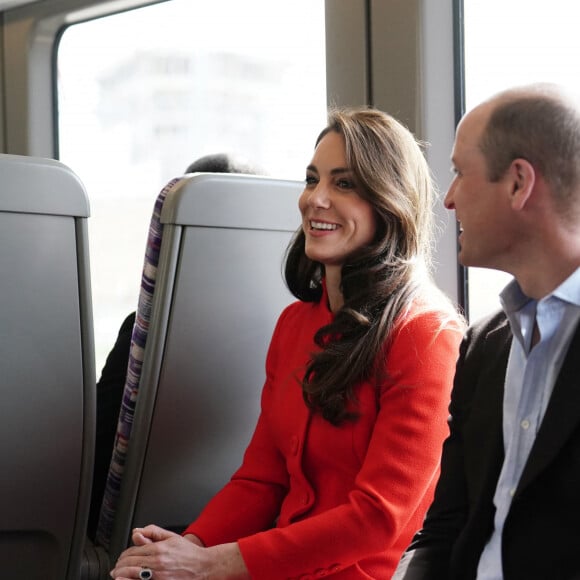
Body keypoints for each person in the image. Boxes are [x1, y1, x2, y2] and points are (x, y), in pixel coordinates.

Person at [110, 107, 464, 579]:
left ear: (389, 203)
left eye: (343, 184)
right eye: (311, 179)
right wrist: (186, 547)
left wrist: (209, 565)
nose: (315, 199)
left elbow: (378, 519)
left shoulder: (427, 335)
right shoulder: (296, 324)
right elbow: (262, 479)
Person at [393, 83, 580, 580]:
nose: (448, 199)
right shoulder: (484, 345)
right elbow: (446, 526)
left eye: (459, 172)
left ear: (519, 183)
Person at [88, 153, 258, 542]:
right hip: (251, 529)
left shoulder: (148, 333)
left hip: (144, 535)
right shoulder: (297, 328)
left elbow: (96, 459)